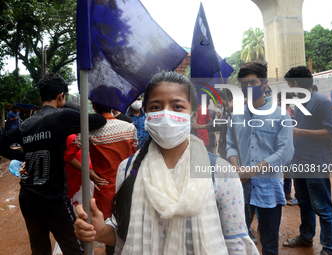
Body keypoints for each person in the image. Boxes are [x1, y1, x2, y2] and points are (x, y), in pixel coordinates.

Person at [74, 71, 259, 255]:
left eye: (177, 106)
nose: (166, 114)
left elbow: (236, 245)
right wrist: (100, 231)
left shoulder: (221, 174)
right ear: (146, 113)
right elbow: (124, 234)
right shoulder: (127, 169)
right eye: (156, 107)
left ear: (193, 116)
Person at [0, 73, 107, 255]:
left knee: (39, 249)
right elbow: (99, 121)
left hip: (28, 197)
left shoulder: (25, 124)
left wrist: (25, 156)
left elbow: (1, 143)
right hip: (53, 198)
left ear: (41, 98)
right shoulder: (61, 116)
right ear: (61, 96)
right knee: (74, 248)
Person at [227, 61, 294, 255]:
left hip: (269, 188)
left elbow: (285, 152)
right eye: (244, 84)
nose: (248, 88)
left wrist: (252, 171)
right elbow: (230, 145)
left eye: (253, 82)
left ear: (264, 84)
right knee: (238, 238)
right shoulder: (235, 116)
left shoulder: (281, 115)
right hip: (240, 187)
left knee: (269, 242)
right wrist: (237, 169)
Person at [282, 66, 332, 255]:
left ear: (296, 84)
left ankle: (329, 249)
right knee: (304, 204)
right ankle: (306, 238)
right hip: (299, 163)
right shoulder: (299, 104)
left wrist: (300, 132)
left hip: (316, 163)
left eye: (289, 85)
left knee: (322, 207)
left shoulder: (321, 101)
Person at [70, 101, 138, 255]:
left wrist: (91, 174)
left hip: (104, 188)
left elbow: (68, 156)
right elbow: (134, 153)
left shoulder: (88, 131)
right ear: (112, 107)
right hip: (128, 185)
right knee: (129, 223)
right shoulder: (129, 127)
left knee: (107, 227)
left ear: (94, 107)